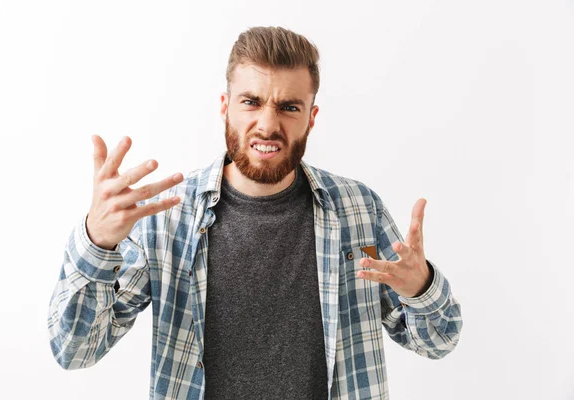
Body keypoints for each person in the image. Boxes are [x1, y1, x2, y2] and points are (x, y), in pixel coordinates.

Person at [47, 26, 462, 400]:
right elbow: (75, 351)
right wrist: (97, 242)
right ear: (226, 106)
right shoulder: (166, 219)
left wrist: (420, 286)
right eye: (251, 102)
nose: (267, 124)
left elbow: (439, 341)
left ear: (312, 117)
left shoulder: (359, 211)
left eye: (289, 107)